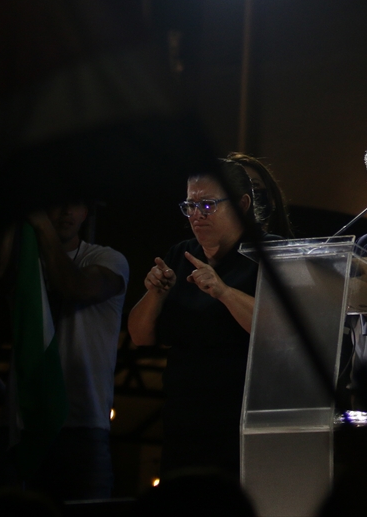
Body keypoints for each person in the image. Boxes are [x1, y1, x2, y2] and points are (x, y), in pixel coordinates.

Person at [127, 160, 260, 476]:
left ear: (242, 205)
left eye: (208, 205)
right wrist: (155, 293)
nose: (197, 215)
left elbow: (278, 329)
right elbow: (139, 337)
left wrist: (224, 292)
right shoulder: (181, 254)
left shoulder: (267, 254)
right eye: (190, 206)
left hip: (243, 421)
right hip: (184, 421)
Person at [24, 203, 128, 500]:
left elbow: (76, 285)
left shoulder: (107, 258)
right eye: (57, 202)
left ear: (86, 212)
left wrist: (41, 225)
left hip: (82, 426)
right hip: (23, 423)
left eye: (76, 203)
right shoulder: (24, 258)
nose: (66, 212)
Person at [225, 152, 295, 238]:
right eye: (238, 186)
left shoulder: (283, 244)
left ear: (272, 197)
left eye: (255, 184)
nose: (247, 192)